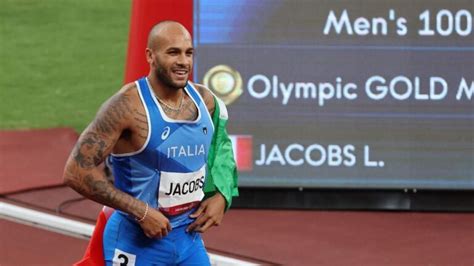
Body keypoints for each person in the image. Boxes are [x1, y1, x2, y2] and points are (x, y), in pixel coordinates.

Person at [63, 20, 238, 265]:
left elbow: (221, 150)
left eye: (188, 53)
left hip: (188, 239)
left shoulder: (205, 101)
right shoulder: (126, 107)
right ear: (150, 56)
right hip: (136, 243)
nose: (183, 62)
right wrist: (140, 211)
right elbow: (76, 171)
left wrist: (222, 194)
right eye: (173, 52)